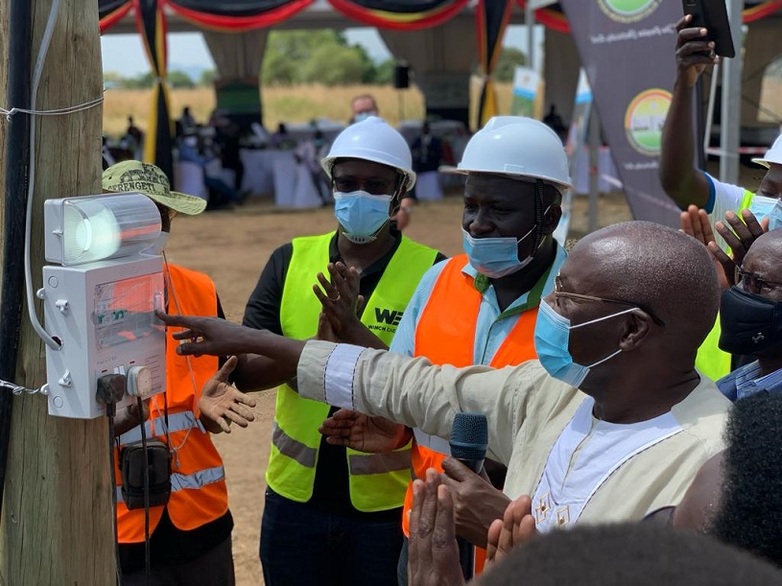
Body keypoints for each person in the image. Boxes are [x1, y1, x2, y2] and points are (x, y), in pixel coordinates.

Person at [160, 221, 732, 541]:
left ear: (630, 330)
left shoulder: (715, 461)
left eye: (568, 297)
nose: (550, 308)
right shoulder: (557, 393)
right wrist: (261, 341)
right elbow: (419, 386)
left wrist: (511, 535)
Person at [318, 116, 571, 582]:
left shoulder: (582, 300)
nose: (478, 222)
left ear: (549, 217)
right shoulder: (438, 282)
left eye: (498, 209)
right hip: (427, 534)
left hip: (522, 548)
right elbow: (406, 381)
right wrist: (391, 429)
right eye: (470, 205)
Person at [232, 116, 444, 585]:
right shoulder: (290, 260)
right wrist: (314, 349)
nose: (360, 195)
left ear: (398, 193)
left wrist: (351, 331)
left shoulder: (434, 273)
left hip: (387, 508)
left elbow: (436, 386)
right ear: (331, 186)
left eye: (376, 185)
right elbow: (245, 372)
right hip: (293, 505)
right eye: (348, 183)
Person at [103, 161, 238, 585]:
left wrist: (209, 410)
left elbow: (216, 385)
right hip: (118, 526)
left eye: (157, 213)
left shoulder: (199, 288)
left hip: (202, 520)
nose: (148, 224)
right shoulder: (74, 301)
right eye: (133, 213)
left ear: (170, 218)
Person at [660, 15, 782, 227]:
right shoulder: (742, 217)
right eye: (769, 191)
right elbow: (679, 181)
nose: (774, 210)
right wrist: (685, 83)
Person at [350, 93, 416, 229]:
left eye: (367, 110)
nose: (364, 115)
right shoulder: (348, 141)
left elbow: (404, 172)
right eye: (359, 112)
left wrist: (403, 206)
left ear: (376, 110)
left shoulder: (391, 138)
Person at [410, 121, 444, 201]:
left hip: (431, 165)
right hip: (421, 166)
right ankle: (421, 195)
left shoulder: (435, 140)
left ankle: (433, 195)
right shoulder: (418, 140)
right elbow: (413, 150)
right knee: (422, 183)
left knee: (432, 181)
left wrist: (430, 153)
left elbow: (439, 152)